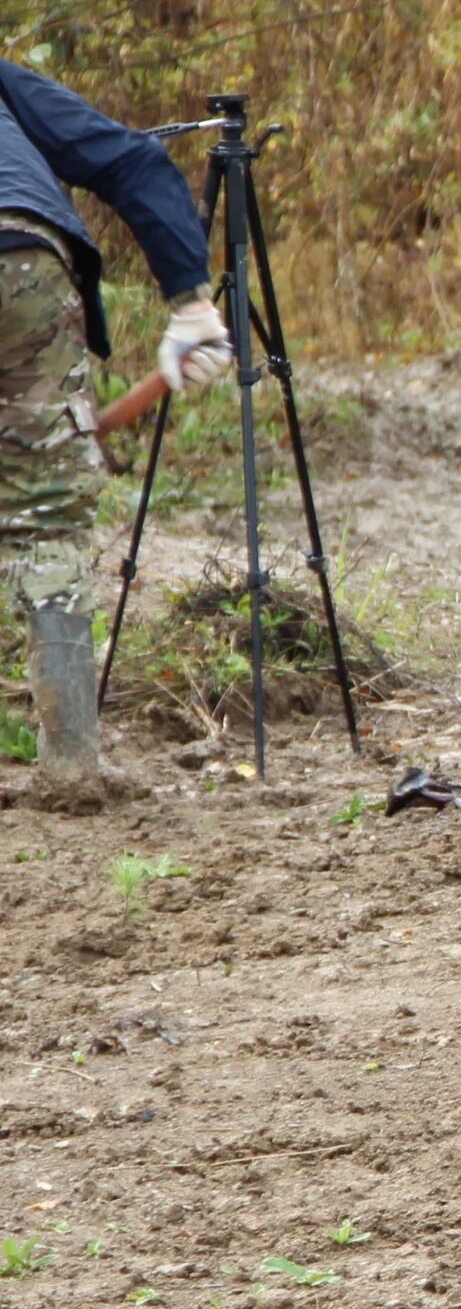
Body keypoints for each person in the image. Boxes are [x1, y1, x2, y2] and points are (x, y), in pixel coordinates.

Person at [1, 62, 228, 803]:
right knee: (46, 524)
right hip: (23, 263)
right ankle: (70, 767)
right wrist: (192, 303)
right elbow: (130, 157)